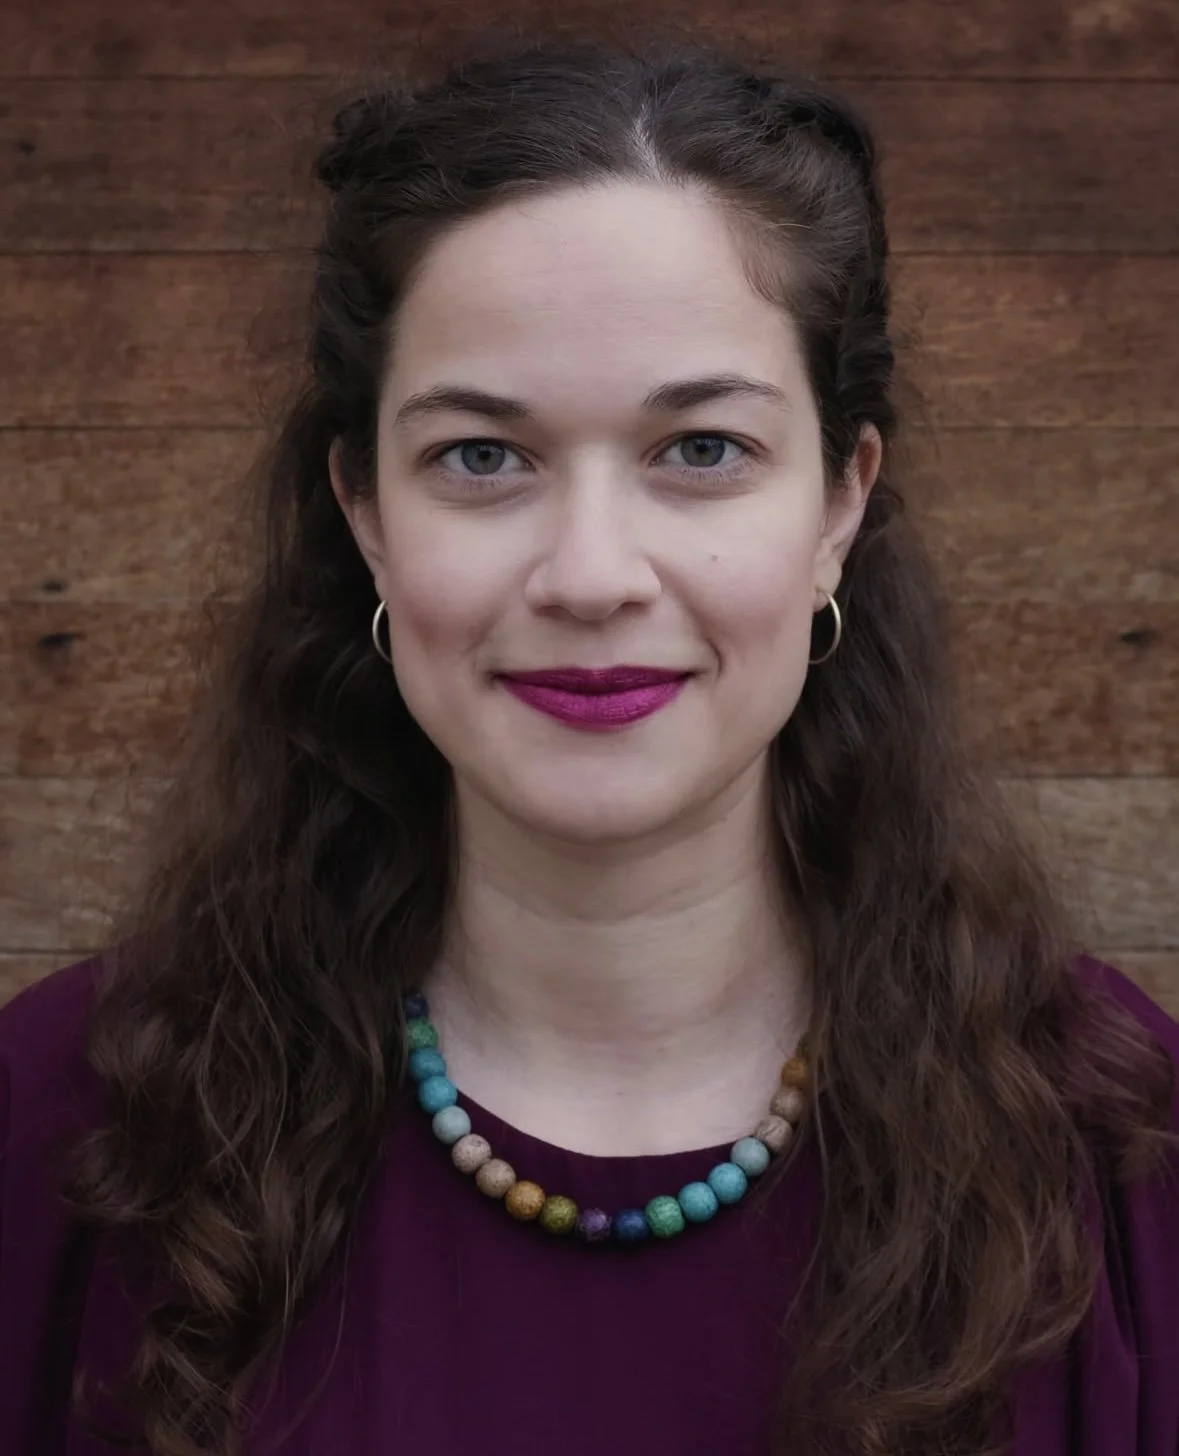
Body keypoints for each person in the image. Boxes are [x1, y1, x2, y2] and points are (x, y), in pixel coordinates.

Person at [1, 29, 1176, 1456]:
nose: (590, 574)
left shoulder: (1119, 1146)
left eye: (700, 451)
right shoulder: (63, 1122)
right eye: (481, 457)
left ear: (837, 504)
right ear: (367, 511)